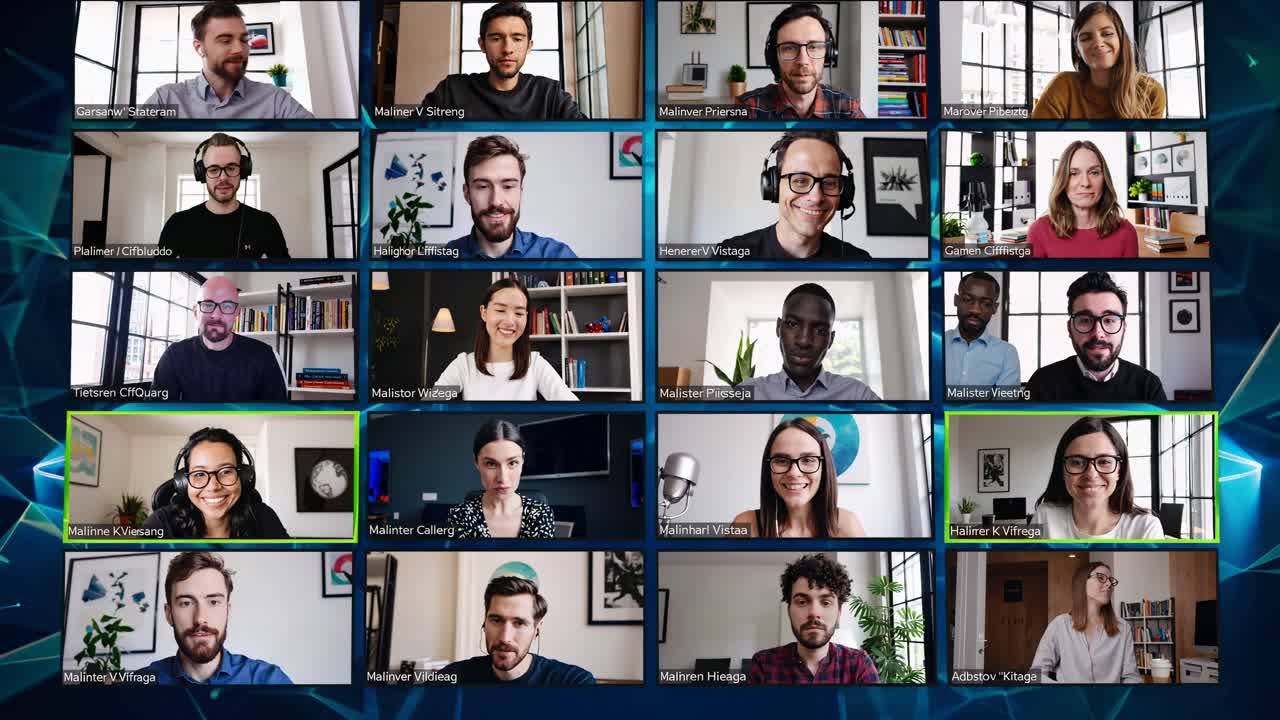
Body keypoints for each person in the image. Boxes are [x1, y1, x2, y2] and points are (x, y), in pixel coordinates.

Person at [138, 551, 292, 684]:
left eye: (213, 602)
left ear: (227, 611)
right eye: (186, 603)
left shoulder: (267, 680)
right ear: (169, 614)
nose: (200, 618)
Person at [143, 2, 314, 119]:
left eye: (244, 40)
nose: (240, 49)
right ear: (199, 48)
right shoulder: (165, 100)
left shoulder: (275, 100)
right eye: (225, 40)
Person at [719, 131, 871, 259]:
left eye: (829, 183)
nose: (816, 197)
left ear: (845, 193)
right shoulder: (729, 255)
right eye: (800, 180)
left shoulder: (859, 260)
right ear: (774, 186)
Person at [420, 2, 585, 120]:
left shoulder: (550, 94)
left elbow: (590, 137)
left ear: (529, 46)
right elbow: (409, 134)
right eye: (496, 38)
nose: (507, 48)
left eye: (517, 39)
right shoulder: (451, 91)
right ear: (482, 45)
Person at [1026, 272, 1166, 401]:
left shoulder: (1148, 386)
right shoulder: (1041, 383)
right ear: (1069, 328)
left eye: (1109, 320)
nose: (1098, 334)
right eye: (1085, 320)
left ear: (1123, 328)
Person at [434, 278, 578, 400]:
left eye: (519, 313)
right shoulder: (463, 366)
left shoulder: (535, 364)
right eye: (500, 310)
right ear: (484, 313)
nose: (510, 321)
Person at [747, 553, 880, 685]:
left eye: (826, 603)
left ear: (839, 612)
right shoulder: (763, 665)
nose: (814, 612)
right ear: (789, 610)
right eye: (802, 602)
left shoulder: (859, 665)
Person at [152, 276, 289, 401]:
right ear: (195, 312)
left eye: (227, 306)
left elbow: (277, 418)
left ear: (237, 313)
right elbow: (156, 414)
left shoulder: (265, 356)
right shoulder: (174, 356)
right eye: (208, 305)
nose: (216, 315)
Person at [441, 576, 595, 685]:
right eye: (496, 620)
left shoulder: (573, 682)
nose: (505, 638)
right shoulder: (452, 676)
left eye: (519, 623)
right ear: (484, 622)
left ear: (536, 629)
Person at [738, 284, 880, 401]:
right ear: (778, 328)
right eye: (793, 324)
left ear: (831, 339)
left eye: (820, 331)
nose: (804, 341)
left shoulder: (858, 394)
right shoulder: (747, 393)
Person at [158, 133, 290, 259]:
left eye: (231, 168)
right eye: (214, 169)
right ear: (202, 174)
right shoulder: (177, 224)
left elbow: (286, 272)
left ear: (243, 170)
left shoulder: (265, 223)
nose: (223, 177)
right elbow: (158, 271)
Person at [142, 427, 290, 539]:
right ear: (184, 482)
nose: (213, 487)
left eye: (226, 471)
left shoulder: (263, 517)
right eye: (199, 474)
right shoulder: (160, 523)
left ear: (243, 476)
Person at [1031, 417, 1164, 539]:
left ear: (1119, 471)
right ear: (1062, 471)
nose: (1091, 474)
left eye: (1104, 462)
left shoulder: (1146, 528)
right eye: (1076, 462)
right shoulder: (1045, 516)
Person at [445, 136, 578, 259]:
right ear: (467, 193)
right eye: (483, 187)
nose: (496, 201)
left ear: (520, 191)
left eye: (508, 186)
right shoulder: (445, 258)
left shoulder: (557, 256)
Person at [733, 418, 865, 537]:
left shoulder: (848, 525)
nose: (794, 473)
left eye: (807, 460)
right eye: (782, 460)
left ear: (824, 468)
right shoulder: (744, 524)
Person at [1031, 2, 1165, 119]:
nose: (1098, 43)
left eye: (1107, 34)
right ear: (1077, 50)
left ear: (1121, 39)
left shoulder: (1151, 92)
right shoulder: (1063, 86)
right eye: (1086, 38)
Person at [735, 3, 864, 119]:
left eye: (813, 47)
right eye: (789, 48)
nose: (803, 61)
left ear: (828, 53)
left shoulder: (848, 108)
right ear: (774, 56)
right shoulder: (748, 108)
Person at [1030, 562, 1142, 683]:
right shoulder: (1059, 625)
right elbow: (1034, 675)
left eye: (1110, 580)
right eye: (1101, 578)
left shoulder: (1123, 628)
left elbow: (1132, 678)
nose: (1109, 584)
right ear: (1082, 582)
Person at [447, 419, 556, 538]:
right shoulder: (459, 515)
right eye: (490, 464)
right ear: (476, 462)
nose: (503, 478)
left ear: (522, 461)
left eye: (513, 463)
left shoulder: (541, 513)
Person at [1027, 141, 1137, 258]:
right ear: (1062, 180)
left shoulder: (1127, 232)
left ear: (1105, 179)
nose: (1085, 183)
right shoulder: (1038, 231)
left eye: (1094, 172)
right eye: (1074, 173)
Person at [945, 271, 1020, 387]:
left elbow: (1005, 403)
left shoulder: (1007, 353)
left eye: (986, 304)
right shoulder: (936, 343)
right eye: (967, 299)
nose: (975, 310)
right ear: (956, 300)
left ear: (995, 308)